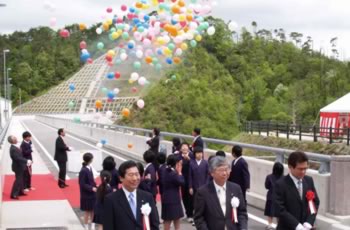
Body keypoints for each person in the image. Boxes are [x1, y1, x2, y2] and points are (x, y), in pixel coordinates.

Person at [193, 156, 248, 230]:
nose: (225, 173)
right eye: (221, 170)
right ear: (212, 173)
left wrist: (243, 228)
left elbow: (242, 213)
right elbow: (199, 218)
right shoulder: (203, 192)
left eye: (226, 169)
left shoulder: (236, 188)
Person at [103, 160, 160, 230]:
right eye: (131, 175)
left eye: (137, 174)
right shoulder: (111, 200)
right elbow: (108, 227)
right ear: (121, 178)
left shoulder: (147, 197)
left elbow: (155, 224)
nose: (135, 178)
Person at [275, 152, 320, 230]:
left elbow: (315, 202)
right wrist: (297, 225)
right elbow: (280, 209)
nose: (303, 172)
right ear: (290, 167)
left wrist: (309, 222)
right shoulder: (281, 184)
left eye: (305, 168)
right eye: (300, 169)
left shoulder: (309, 180)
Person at [161, 154, 185, 230]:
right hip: (173, 198)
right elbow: (181, 182)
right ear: (175, 163)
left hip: (166, 197)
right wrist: (180, 172)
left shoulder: (164, 169)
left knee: (170, 218)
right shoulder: (173, 173)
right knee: (172, 219)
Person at [8, 135, 32, 199]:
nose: (16, 138)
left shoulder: (16, 146)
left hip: (21, 166)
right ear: (12, 141)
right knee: (18, 180)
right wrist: (26, 160)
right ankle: (13, 194)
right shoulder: (13, 149)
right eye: (14, 138)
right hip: (18, 167)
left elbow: (20, 156)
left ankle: (20, 192)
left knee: (21, 180)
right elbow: (18, 158)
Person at [79, 152, 97, 230]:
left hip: (92, 194)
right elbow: (82, 184)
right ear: (90, 160)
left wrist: (96, 186)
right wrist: (91, 188)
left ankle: (92, 225)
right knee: (87, 211)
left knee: (93, 210)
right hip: (86, 194)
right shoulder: (83, 170)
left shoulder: (89, 168)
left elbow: (92, 180)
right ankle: (86, 226)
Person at [264, 162, 284, 230]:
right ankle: (279, 225)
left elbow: (267, 186)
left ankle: (270, 225)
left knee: (270, 211)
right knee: (279, 212)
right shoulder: (284, 178)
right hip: (280, 197)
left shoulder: (269, 177)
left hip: (271, 196)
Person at [179, 142, 194, 223]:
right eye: (183, 147)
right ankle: (188, 213)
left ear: (188, 148)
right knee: (184, 196)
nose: (184, 148)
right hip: (182, 179)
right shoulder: (178, 156)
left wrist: (189, 159)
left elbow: (195, 165)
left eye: (186, 147)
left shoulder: (192, 155)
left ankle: (191, 214)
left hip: (190, 179)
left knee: (190, 197)